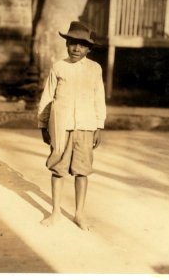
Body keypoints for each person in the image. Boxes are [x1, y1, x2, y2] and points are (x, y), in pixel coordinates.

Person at [37, 21, 106, 230]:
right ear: (66, 44)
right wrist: (43, 124)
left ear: (89, 48)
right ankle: (55, 212)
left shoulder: (95, 69)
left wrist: (99, 126)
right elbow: (48, 96)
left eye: (82, 45)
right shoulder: (59, 67)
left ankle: (79, 214)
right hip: (61, 126)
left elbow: (98, 98)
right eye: (73, 43)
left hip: (85, 126)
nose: (77, 49)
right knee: (58, 169)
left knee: (82, 171)